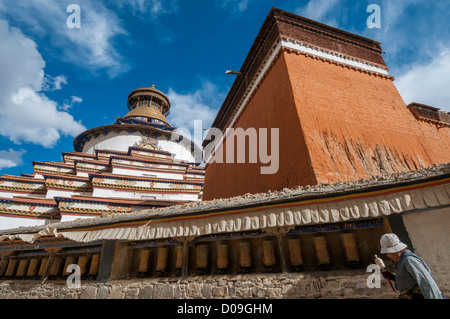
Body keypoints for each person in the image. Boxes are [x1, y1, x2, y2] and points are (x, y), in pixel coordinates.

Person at [379, 233, 444, 299]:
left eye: (388, 252)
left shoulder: (409, 260)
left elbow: (426, 282)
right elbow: (410, 282)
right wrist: (392, 277)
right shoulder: (402, 261)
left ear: (395, 250)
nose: (387, 255)